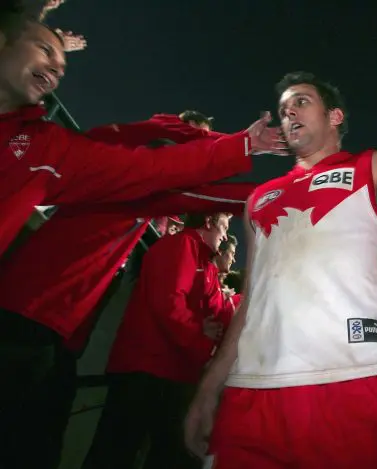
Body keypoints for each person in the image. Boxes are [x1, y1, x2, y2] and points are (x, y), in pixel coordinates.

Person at [184, 71, 377, 469]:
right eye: (284, 109)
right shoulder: (257, 200)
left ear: (335, 116)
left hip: (356, 383)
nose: (289, 112)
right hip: (248, 398)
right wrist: (210, 387)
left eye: (301, 101)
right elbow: (251, 302)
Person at [0, 111, 257, 469]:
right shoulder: (120, 172)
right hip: (25, 315)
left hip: (61, 333)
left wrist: (283, 193)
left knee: (41, 438)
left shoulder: (152, 197)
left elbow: (217, 197)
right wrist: (246, 148)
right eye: (186, 142)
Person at [0, 21, 287, 257]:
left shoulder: (49, 148)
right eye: (44, 50)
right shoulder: (155, 130)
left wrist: (248, 150)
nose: (56, 69)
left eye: (61, 66)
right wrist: (240, 143)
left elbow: (158, 167)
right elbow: (181, 148)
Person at [83, 213, 234, 469]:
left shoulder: (205, 264)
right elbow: (169, 304)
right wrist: (202, 339)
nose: (224, 234)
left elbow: (219, 314)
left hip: (171, 374)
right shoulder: (180, 246)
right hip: (145, 369)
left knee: (163, 455)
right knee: (116, 452)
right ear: (209, 222)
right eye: (225, 226)